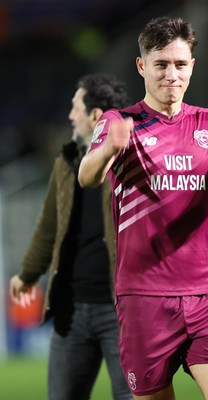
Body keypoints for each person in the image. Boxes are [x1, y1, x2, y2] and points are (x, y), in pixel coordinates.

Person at [78, 16, 208, 400]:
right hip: (144, 301)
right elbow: (87, 175)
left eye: (180, 64)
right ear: (142, 66)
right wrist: (110, 148)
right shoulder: (119, 123)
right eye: (161, 64)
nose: (171, 75)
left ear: (192, 64)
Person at [9, 73, 132, 400]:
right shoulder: (66, 162)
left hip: (123, 313)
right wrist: (28, 274)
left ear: (94, 116)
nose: (69, 115)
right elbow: (49, 225)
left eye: (75, 107)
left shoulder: (135, 159)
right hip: (72, 310)